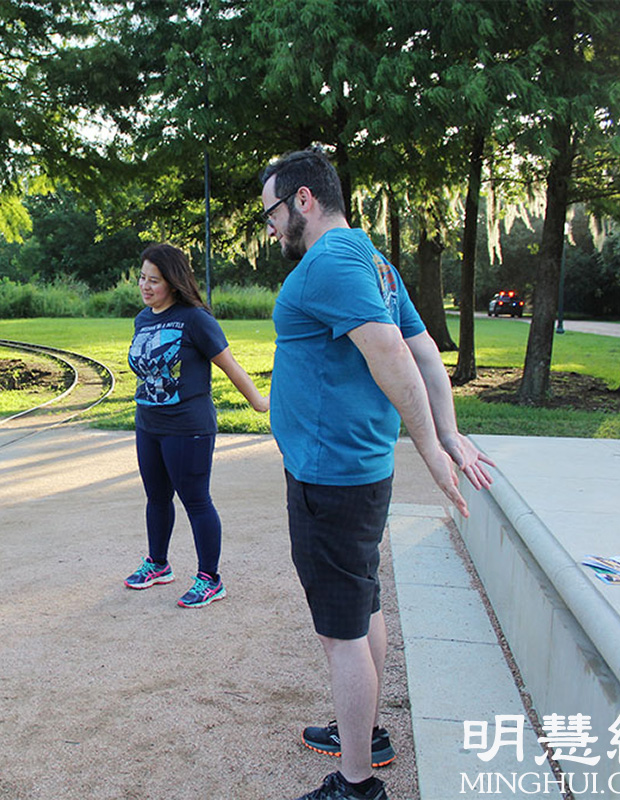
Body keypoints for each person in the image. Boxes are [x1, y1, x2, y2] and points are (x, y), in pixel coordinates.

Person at [261, 149, 494, 800]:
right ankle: (362, 732)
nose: (270, 228)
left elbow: (395, 352)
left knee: (341, 634)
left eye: (271, 213)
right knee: (363, 606)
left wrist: (434, 448)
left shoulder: (331, 261)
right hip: (353, 471)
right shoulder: (373, 259)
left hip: (330, 476)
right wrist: (446, 431)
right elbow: (425, 350)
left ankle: (357, 783)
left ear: (303, 200)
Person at [124, 243, 269, 608]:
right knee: (157, 497)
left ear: (173, 282)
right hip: (149, 423)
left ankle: (210, 579)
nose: (145, 286)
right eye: (142, 278)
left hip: (188, 427)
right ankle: (158, 564)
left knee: (196, 500)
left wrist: (259, 402)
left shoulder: (195, 319)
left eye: (154, 280)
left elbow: (230, 365)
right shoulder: (143, 319)